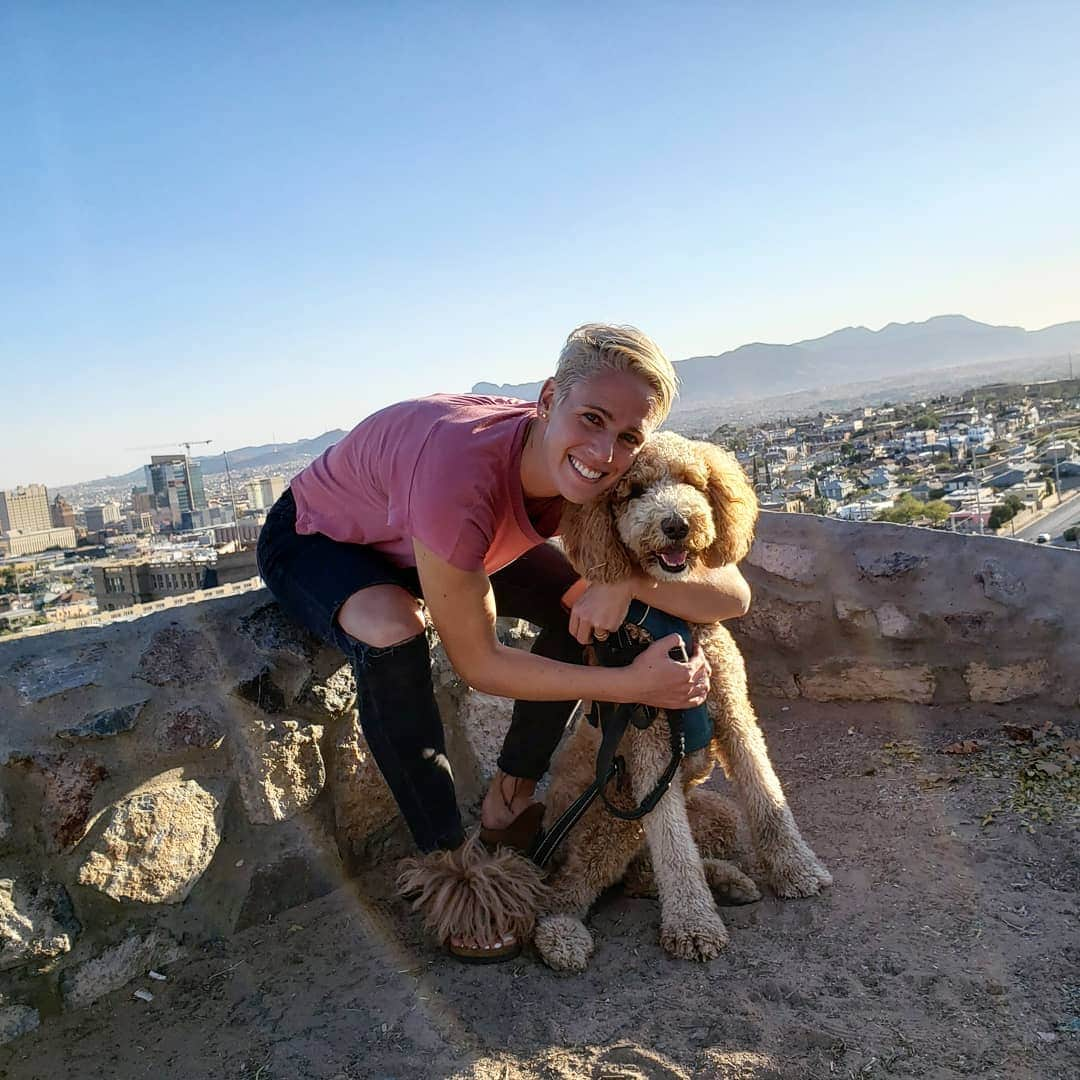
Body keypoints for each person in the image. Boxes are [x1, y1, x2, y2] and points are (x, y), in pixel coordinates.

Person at [256, 323, 751, 959]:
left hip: (442, 541)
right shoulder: (462, 476)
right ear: (548, 400)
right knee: (392, 630)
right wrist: (629, 685)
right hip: (321, 538)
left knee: (582, 605)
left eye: (628, 436)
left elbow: (731, 594)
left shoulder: (595, 478)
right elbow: (479, 662)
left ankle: (508, 802)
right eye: (591, 419)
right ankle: (451, 868)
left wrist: (622, 583)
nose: (603, 452)